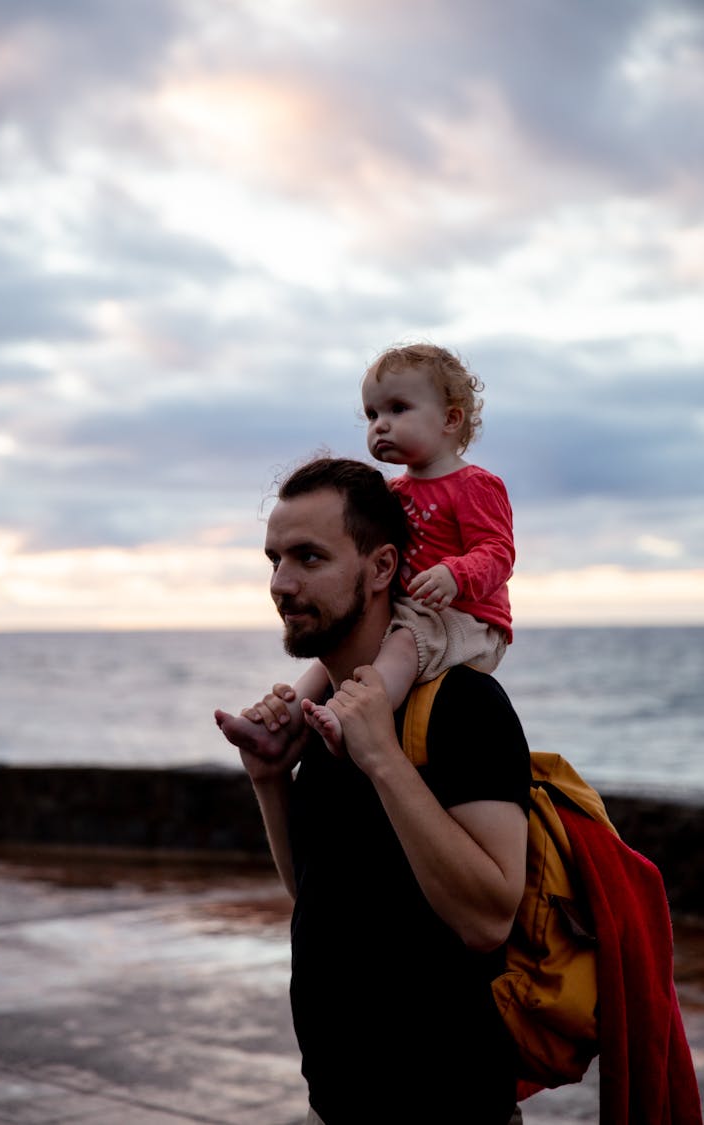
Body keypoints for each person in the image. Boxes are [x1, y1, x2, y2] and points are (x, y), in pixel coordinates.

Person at [215, 456, 531, 1124]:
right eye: (274, 558)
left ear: (383, 568)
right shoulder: (329, 710)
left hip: (447, 1103)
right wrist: (271, 782)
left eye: (308, 557)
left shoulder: (462, 706)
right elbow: (320, 898)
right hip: (337, 1100)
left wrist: (384, 758)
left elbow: (488, 917)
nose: (281, 583)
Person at [225, 342, 515, 759]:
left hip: (465, 617)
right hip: (415, 610)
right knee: (335, 654)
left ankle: (361, 722)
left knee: (400, 645)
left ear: (450, 419)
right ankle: (284, 722)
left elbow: (498, 551)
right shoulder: (394, 492)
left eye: (398, 409)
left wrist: (455, 574)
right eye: (372, 414)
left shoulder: (474, 485)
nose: (380, 425)